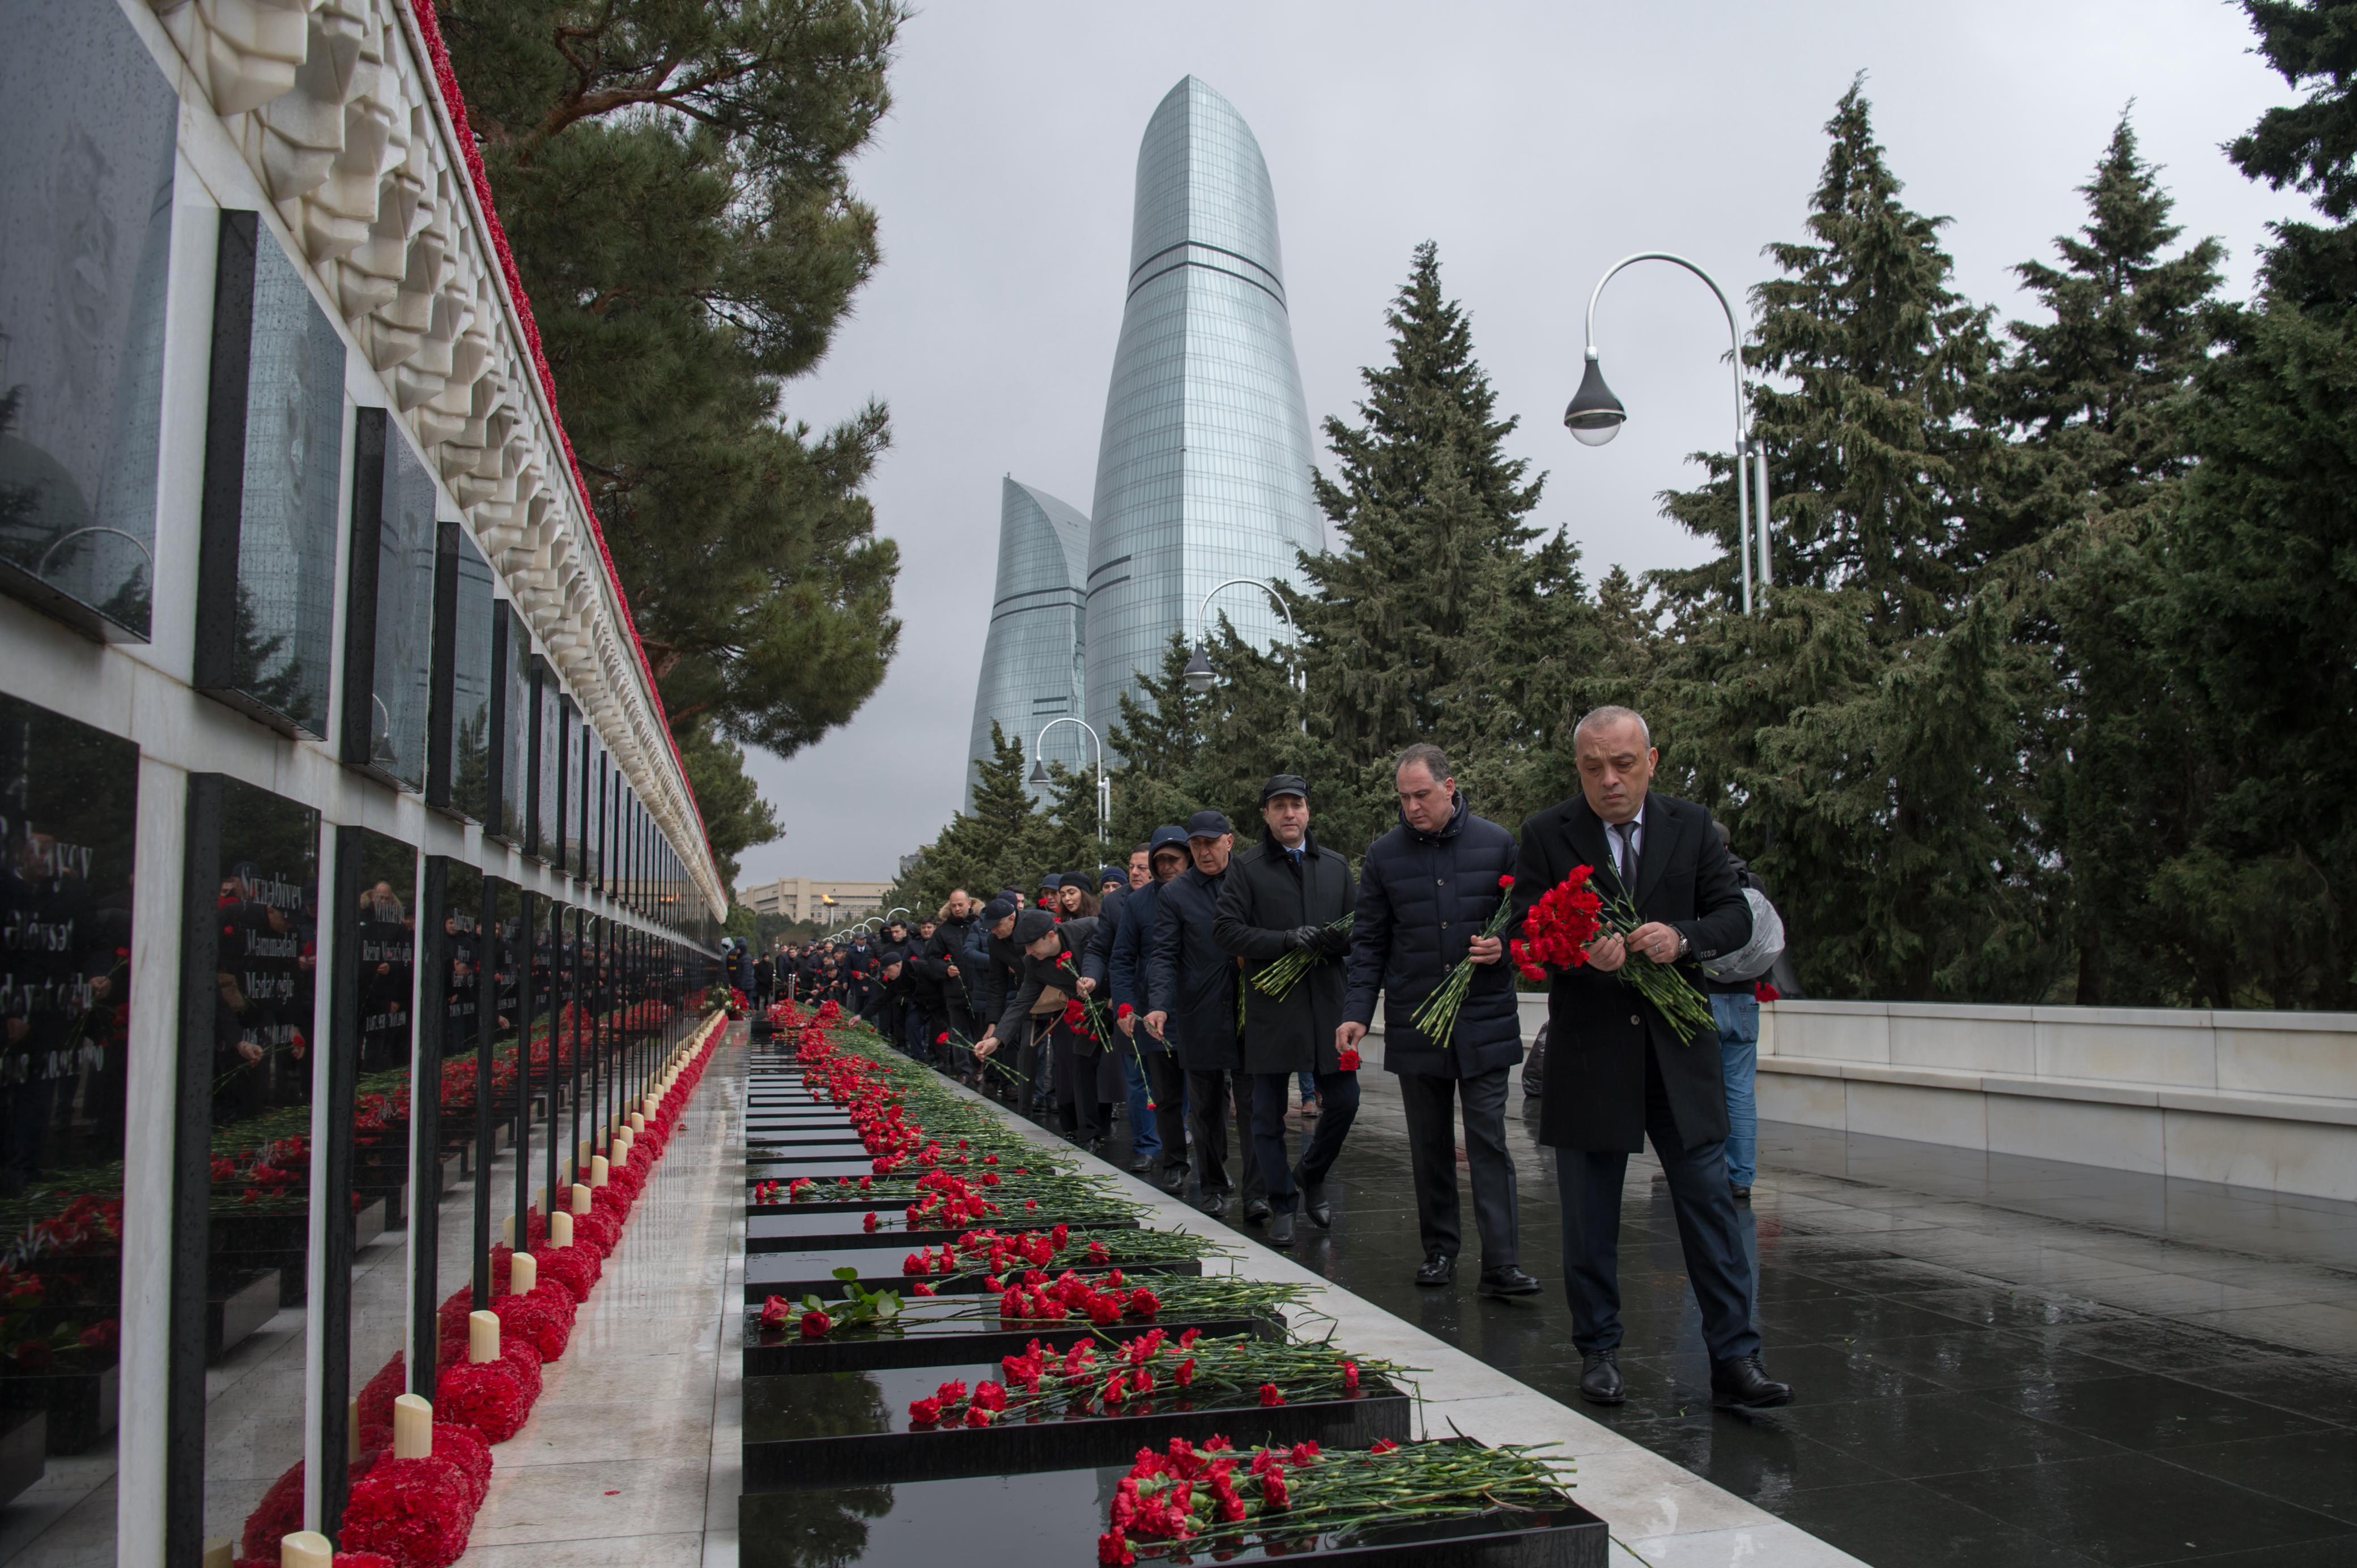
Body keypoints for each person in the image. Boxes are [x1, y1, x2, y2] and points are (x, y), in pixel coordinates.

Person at [1509, 705, 1788, 1410]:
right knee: (1589, 1217)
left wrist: (1682, 938)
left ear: (1651, 760)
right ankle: (1598, 1351)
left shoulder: (1690, 825)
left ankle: (1735, 1357)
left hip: (1677, 1054)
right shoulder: (1547, 833)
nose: (1608, 779)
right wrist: (1579, 953)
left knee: (1710, 1208)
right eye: (1593, 766)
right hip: (1590, 1054)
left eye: (1623, 764)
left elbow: (1735, 913)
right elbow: (1527, 936)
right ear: (1577, 768)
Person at [1341, 744, 1538, 1298]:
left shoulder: (1498, 843)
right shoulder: (1383, 856)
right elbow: (1369, 942)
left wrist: (1504, 944)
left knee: (1487, 1140)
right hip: (1416, 1020)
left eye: (1421, 795)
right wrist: (1356, 1012)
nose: (1411, 807)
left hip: (1484, 1018)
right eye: (1402, 797)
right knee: (1428, 1143)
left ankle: (1501, 1261)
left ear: (1449, 786)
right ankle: (1439, 1251)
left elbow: (1527, 922)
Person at [1214, 775, 1357, 1249]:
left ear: (1308, 811)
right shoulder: (1248, 868)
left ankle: (1311, 1173)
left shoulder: (1336, 866)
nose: (1289, 814)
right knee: (1265, 1115)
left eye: (1296, 804)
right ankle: (1282, 1203)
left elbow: (1363, 929)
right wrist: (1283, 941)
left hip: (1328, 1009)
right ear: (1267, 815)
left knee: (1346, 1101)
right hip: (1273, 1010)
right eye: (1279, 806)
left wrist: (1341, 940)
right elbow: (1226, 932)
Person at [1146, 811, 1265, 1221]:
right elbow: (1163, 954)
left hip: (1250, 1009)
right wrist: (1159, 1003)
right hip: (1198, 1011)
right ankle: (1213, 1184)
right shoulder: (1176, 894)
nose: (1204, 851)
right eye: (1196, 844)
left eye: (1211, 843)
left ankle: (1257, 1192)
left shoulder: (1251, 879)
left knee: (1254, 1105)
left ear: (1229, 842)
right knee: (1207, 1107)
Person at [1109, 826, 1191, 1190]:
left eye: (1175, 859)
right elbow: (1123, 957)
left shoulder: (1208, 892)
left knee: (1201, 1089)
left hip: (1199, 1009)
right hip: (1152, 1011)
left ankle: (1197, 1153)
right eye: (1161, 860)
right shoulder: (1138, 903)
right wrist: (1125, 1006)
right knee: (1158, 1087)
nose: (1167, 866)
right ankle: (1160, 1153)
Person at [1083, 862, 1156, 1173]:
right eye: (1131, 867)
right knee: (1137, 1078)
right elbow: (1101, 949)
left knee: (1176, 1077)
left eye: (1143, 867)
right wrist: (1091, 977)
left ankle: (1175, 1132)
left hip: (1172, 1001)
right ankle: (1146, 1145)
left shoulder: (1177, 894)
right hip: (1129, 1001)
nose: (1136, 873)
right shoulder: (1116, 903)